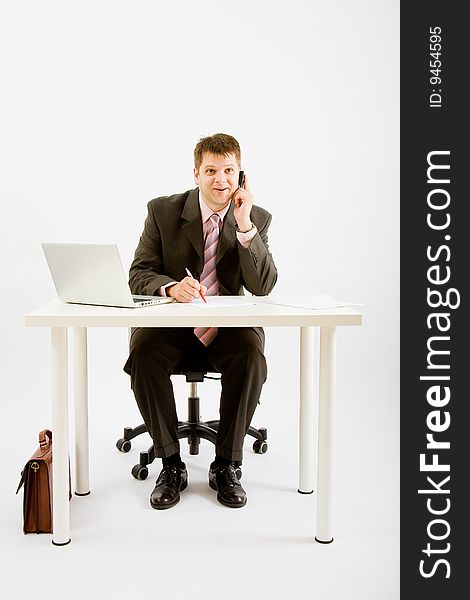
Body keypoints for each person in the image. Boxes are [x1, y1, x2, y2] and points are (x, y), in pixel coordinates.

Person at [124, 133, 277, 510]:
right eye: (211, 170)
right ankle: (171, 464)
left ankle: (226, 464)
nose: (220, 180)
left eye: (229, 170)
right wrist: (171, 287)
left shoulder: (255, 218)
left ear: (241, 174)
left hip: (226, 329)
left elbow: (263, 286)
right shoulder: (162, 211)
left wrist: (243, 227)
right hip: (173, 326)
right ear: (196, 173)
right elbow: (138, 273)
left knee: (251, 354)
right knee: (143, 352)